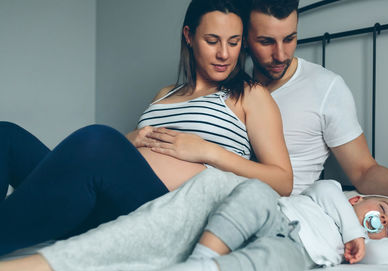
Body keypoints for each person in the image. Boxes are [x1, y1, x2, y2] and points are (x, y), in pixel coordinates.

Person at [0, 0, 292, 256]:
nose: (225, 54)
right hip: (110, 201)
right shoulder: (164, 94)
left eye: (234, 41)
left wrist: (207, 151)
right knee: (6, 136)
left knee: (96, 139)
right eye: (212, 40)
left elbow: (282, 181)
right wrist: (128, 140)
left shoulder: (250, 95)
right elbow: (128, 162)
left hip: (168, 212)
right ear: (189, 36)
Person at [0, 168, 388, 271]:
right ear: (360, 200)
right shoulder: (333, 197)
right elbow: (329, 189)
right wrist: (356, 220)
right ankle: (204, 254)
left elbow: (383, 257)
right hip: (272, 213)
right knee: (252, 194)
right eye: (383, 214)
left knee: (283, 270)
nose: (384, 227)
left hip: (294, 249)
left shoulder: (359, 249)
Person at [244, 0, 388, 237]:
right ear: (244, 35)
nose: (281, 54)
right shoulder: (225, 79)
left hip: (282, 221)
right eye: (266, 42)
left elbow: (363, 171)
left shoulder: (325, 88)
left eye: (290, 38)